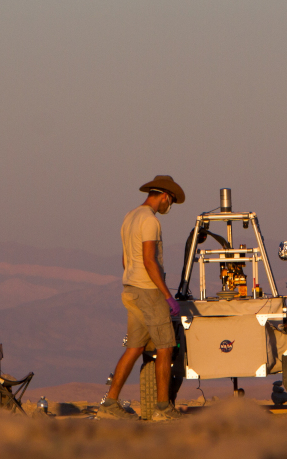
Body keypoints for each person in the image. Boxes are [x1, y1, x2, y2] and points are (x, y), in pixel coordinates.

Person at [98, 175, 188, 421]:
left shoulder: (130, 217)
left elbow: (126, 260)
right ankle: (162, 408)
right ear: (165, 197)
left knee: (135, 347)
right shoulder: (150, 221)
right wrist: (167, 297)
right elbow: (149, 261)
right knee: (166, 346)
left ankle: (109, 404)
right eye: (170, 203)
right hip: (148, 291)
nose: (168, 207)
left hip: (131, 288)